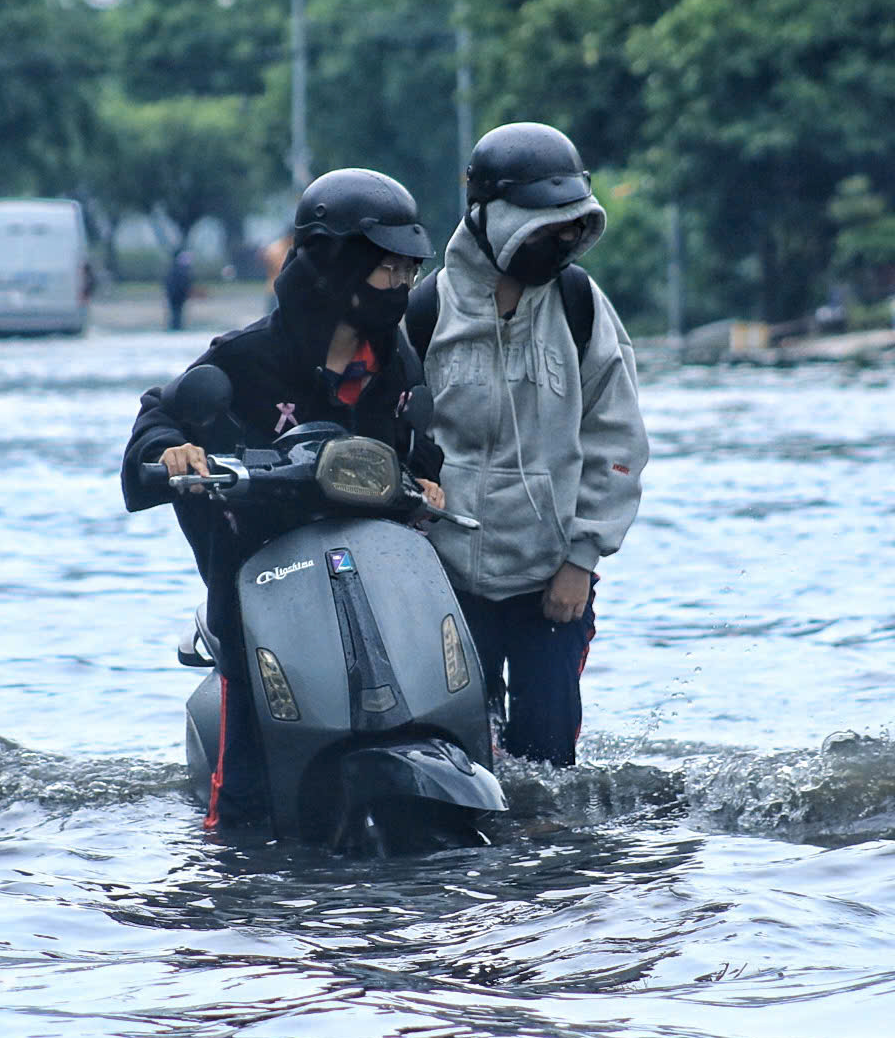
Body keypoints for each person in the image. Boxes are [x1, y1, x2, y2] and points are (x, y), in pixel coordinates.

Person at [120, 169, 444, 827]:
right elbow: (163, 413)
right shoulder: (246, 359)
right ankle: (236, 890)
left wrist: (429, 479)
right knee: (243, 803)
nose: (399, 286)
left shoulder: (400, 366)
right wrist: (170, 452)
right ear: (335, 265)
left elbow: (415, 453)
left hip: (374, 590)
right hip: (263, 592)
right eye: (385, 269)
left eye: (408, 271)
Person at [410, 122, 648, 767]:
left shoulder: (580, 304)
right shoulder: (425, 309)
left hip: (553, 579)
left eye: (569, 227)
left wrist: (582, 559)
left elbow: (618, 438)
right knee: (460, 760)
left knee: (547, 765)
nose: (559, 242)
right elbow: (392, 436)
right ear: (488, 216)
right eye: (542, 226)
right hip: (444, 581)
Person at [164, 249, 194, 330]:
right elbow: (181, 285)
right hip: (176, 296)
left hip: (176, 296)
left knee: (176, 314)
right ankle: (176, 328)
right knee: (176, 314)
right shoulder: (180, 271)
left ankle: (176, 327)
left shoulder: (174, 269)